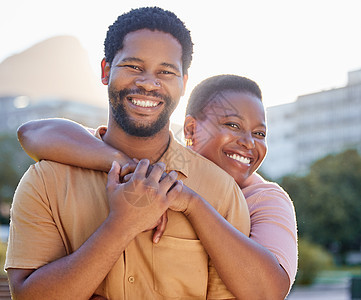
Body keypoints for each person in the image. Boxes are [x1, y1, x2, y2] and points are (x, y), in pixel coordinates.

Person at [5, 7, 252, 300]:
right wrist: (122, 225)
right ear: (106, 71)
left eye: (166, 71)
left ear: (184, 83)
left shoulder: (219, 191)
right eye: (134, 66)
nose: (148, 82)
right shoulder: (45, 181)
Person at [15, 75, 298, 298]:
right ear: (189, 130)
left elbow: (267, 291)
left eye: (259, 133)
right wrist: (130, 167)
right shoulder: (141, 167)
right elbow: (33, 132)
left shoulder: (264, 198)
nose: (249, 142)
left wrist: (191, 202)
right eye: (233, 125)